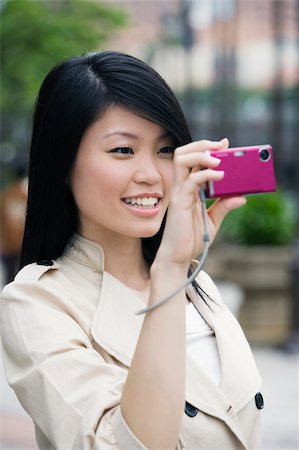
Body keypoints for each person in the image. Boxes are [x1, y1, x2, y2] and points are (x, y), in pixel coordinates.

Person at [0, 51, 263, 450]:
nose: (151, 174)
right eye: (123, 150)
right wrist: (171, 270)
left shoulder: (200, 284)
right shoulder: (36, 302)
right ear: (63, 166)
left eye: (164, 149)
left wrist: (179, 268)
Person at [0, 163, 28, 285]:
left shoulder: (6, 194)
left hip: (10, 243)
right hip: (21, 243)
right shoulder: (25, 194)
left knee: (10, 276)